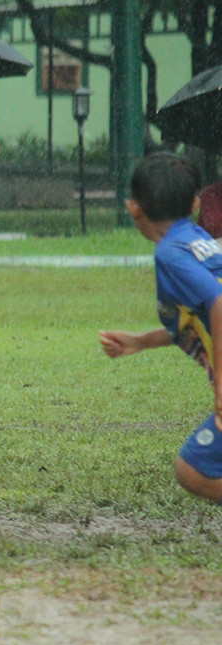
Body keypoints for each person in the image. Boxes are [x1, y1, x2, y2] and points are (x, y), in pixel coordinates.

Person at [99, 150, 222, 505]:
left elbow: (218, 304)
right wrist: (140, 342)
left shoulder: (170, 253)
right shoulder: (194, 238)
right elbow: (198, 317)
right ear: (195, 203)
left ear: (132, 207)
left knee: (193, 469)